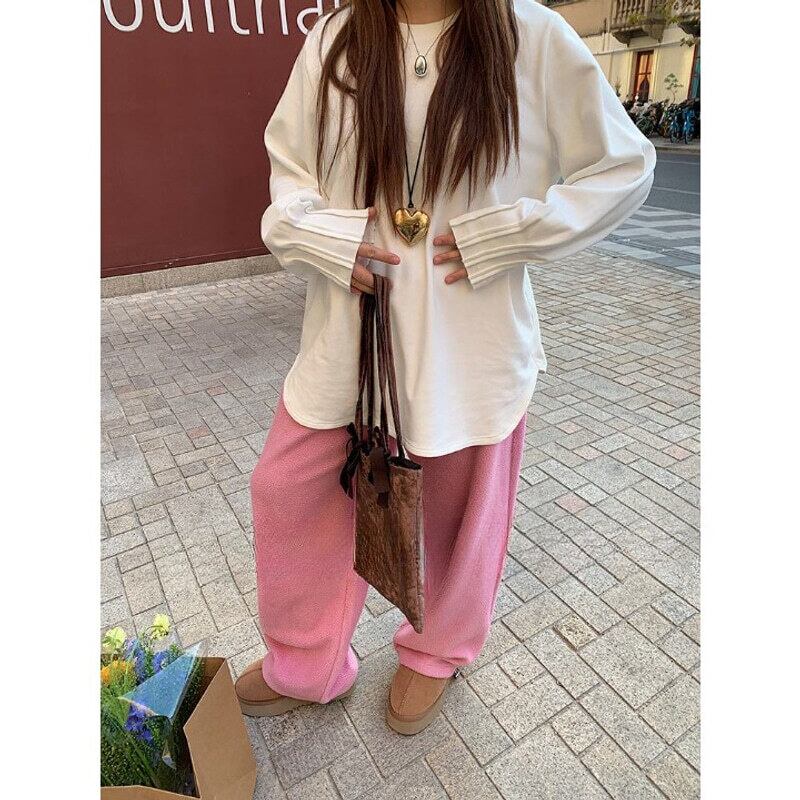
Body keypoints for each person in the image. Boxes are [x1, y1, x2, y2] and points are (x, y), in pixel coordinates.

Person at [235, 0, 656, 735]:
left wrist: (514, 232)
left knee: (463, 519)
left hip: (471, 341)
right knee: (290, 489)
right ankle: (307, 660)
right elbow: (288, 174)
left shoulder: (531, 35)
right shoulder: (336, 40)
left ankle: (435, 653)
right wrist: (326, 238)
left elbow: (624, 166)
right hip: (350, 336)